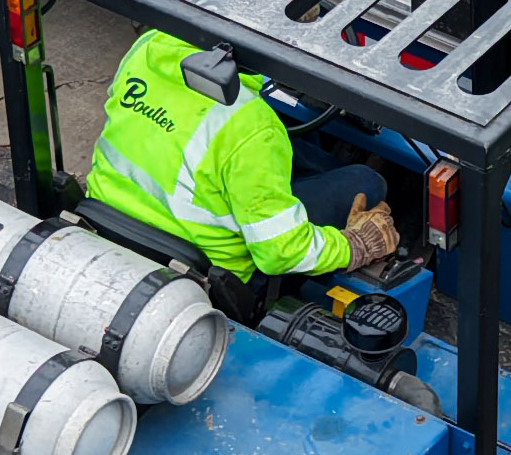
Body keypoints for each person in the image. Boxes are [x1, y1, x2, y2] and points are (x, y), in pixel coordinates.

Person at [85, 29, 397, 300]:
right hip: (214, 275)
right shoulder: (250, 123)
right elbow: (281, 253)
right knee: (366, 182)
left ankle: (287, 198)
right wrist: (353, 246)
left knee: (289, 148)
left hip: (110, 221)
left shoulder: (149, 46)